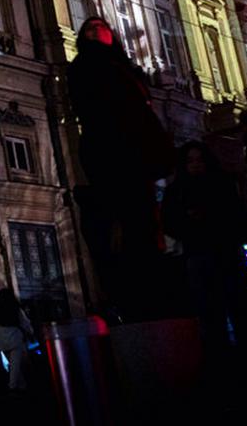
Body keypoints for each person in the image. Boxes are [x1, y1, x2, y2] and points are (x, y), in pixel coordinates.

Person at [67, 17, 173, 320]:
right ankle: (133, 297)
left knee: (144, 220)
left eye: (101, 26)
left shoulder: (126, 68)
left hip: (137, 151)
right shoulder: (84, 66)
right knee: (125, 221)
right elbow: (91, 108)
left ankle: (152, 286)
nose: (97, 29)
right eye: (90, 28)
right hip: (112, 150)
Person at [161, 142, 247, 352]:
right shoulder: (178, 191)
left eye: (199, 160)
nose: (196, 165)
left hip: (219, 252)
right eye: (191, 161)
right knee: (211, 309)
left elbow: (236, 215)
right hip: (203, 253)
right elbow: (170, 222)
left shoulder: (218, 184)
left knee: (231, 304)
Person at [0, 289, 32, 391]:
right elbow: (25, 323)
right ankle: (13, 388)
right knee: (15, 368)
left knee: (14, 366)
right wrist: (31, 333)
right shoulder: (15, 310)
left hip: (3, 343)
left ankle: (22, 386)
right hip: (16, 341)